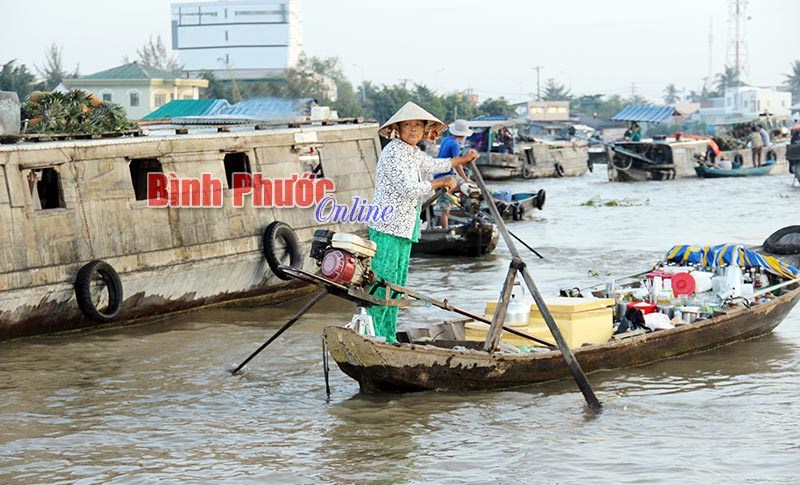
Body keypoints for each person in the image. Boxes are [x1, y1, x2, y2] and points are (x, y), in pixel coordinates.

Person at [367, 102, 479, 341]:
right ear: (397, 128)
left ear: (424, 129)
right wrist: (439, 183)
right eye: (408, 125)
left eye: (417, 125)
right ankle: (374, 334)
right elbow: (408, 189)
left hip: (404, 228)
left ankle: (388, 336)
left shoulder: (413, 152)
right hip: (387, 226)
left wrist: (462, 161)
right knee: (382, 283)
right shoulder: (394, 151)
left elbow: (434, 164)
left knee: (396, 286)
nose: (413, 130)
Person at [434, 119, 474, 229]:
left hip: (438, 175)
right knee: (469, 188)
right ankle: (446, 229)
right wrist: (465, 179)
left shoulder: (445, 140)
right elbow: (457, 163)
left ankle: (445, 229)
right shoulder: (455, 144)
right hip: (446, 176)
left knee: (445, 209)